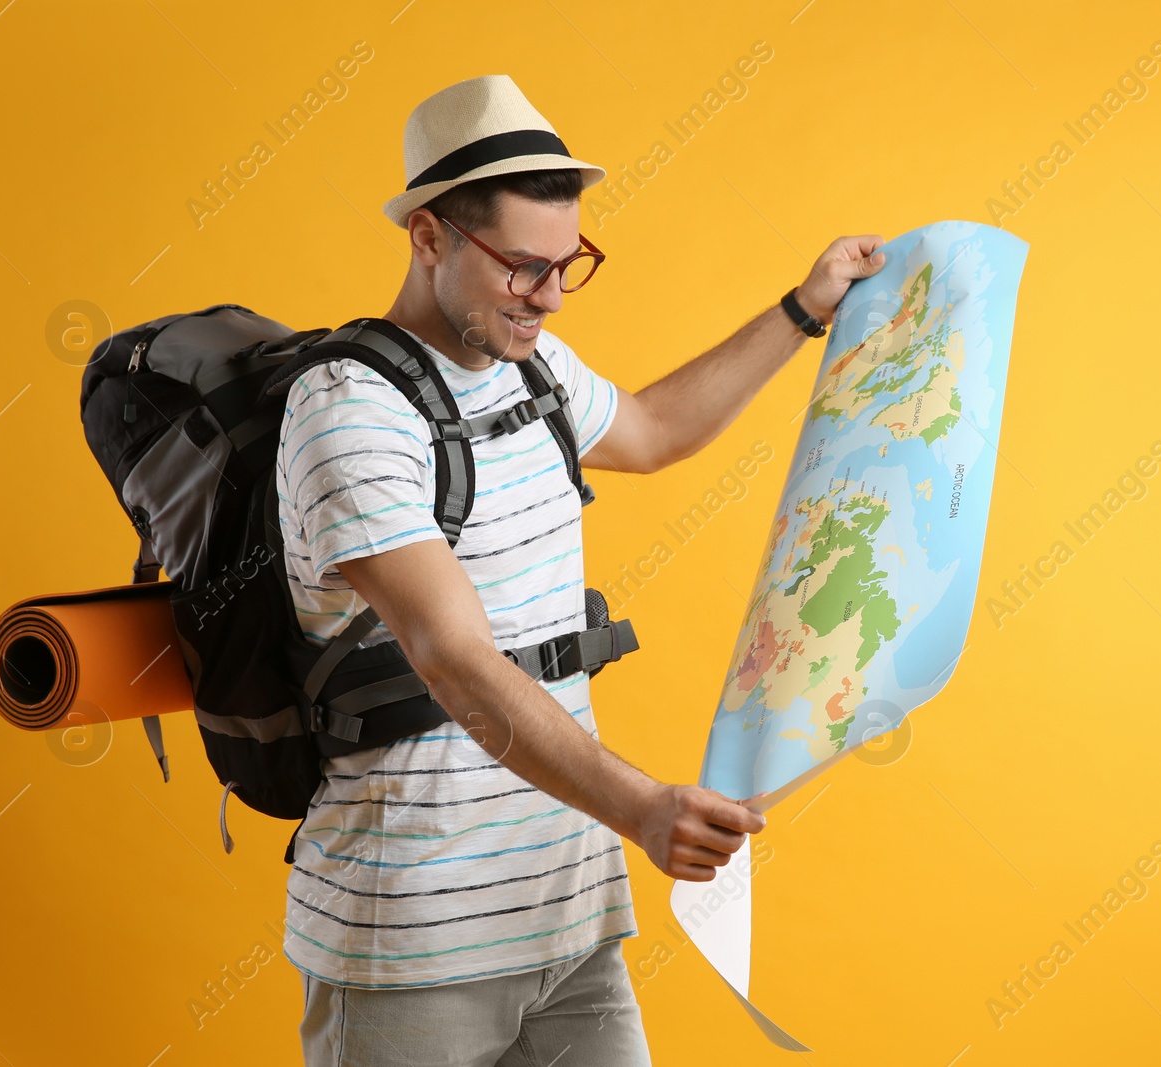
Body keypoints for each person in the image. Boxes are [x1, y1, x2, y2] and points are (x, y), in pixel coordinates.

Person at [278, 73, 885, 1066]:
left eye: (570, 263)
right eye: (524, 266)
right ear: (428, 236)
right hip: (413, 936)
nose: (551, 296)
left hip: (569, 919)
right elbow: (454, 658)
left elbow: (651, 429)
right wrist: (642, 806)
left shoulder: (531, 363)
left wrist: (804, 308)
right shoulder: (349, 409)